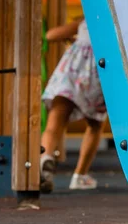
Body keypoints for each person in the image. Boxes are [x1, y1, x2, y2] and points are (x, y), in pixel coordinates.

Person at [39, 17, 107, 193]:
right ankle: (80, 175)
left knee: (55, 122)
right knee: (95, 125)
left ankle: (45, 157)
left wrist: (73, 37)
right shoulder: (113, 21)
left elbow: (50, 35)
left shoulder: (84, 21)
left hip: (70, 74)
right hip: (97, 75)